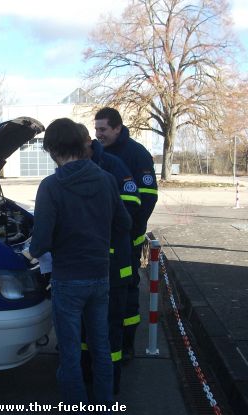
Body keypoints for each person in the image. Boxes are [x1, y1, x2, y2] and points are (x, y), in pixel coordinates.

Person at [29, 118, 131, 415]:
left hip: (69, 281)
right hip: (100, 278)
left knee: (71, 353)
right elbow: (124, 223)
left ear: (54, 150)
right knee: (101, 348)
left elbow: (40, 243)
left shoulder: (52, 186)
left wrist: (32, 250)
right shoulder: (105, 180)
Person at [94, 107, 158, 362]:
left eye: (103, 129)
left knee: (128, 290)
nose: (97, 134)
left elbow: (148, 198)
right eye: (96, 128)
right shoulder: (98, 154)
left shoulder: (137, 154)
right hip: (103, 241)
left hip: (127, 239)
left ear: (118, 128)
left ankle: (127, 341)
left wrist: (130, 231)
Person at [76, 123, 134, 394]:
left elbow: (130, 210)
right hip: (90, 267)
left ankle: (110, 389)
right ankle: (89, 377)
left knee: (110, 331)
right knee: (87, 330)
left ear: (86, 142)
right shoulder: (73, 171)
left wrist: (98, 231)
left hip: (115, 268)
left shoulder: (112, 167)